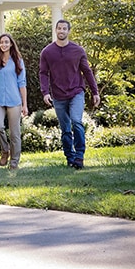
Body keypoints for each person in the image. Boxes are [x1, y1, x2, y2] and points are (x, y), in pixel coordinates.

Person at [39, 19, 100, 169]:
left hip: (76, 92)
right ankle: (70, 158)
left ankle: (79, 156)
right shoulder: (47, 52)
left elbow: (87, 72)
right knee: (65, 128)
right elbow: (43, 73)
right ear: (56, 30)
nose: (61, 31)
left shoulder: (78, 50)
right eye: (59, 28)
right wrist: (45, 92)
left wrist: (95, 92)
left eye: (64, 29)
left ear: (68, 31)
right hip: (58, 95)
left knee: (76, 121)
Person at [0, 34, 28, 169]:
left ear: (11, 44)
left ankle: (14, 161)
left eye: (6, 42)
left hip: (14, 100)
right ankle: (5, 150)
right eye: (1, 42)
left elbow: (22, 83)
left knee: (14, 133)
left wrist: (24, 104)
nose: (3, 44)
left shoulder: (18, 61)